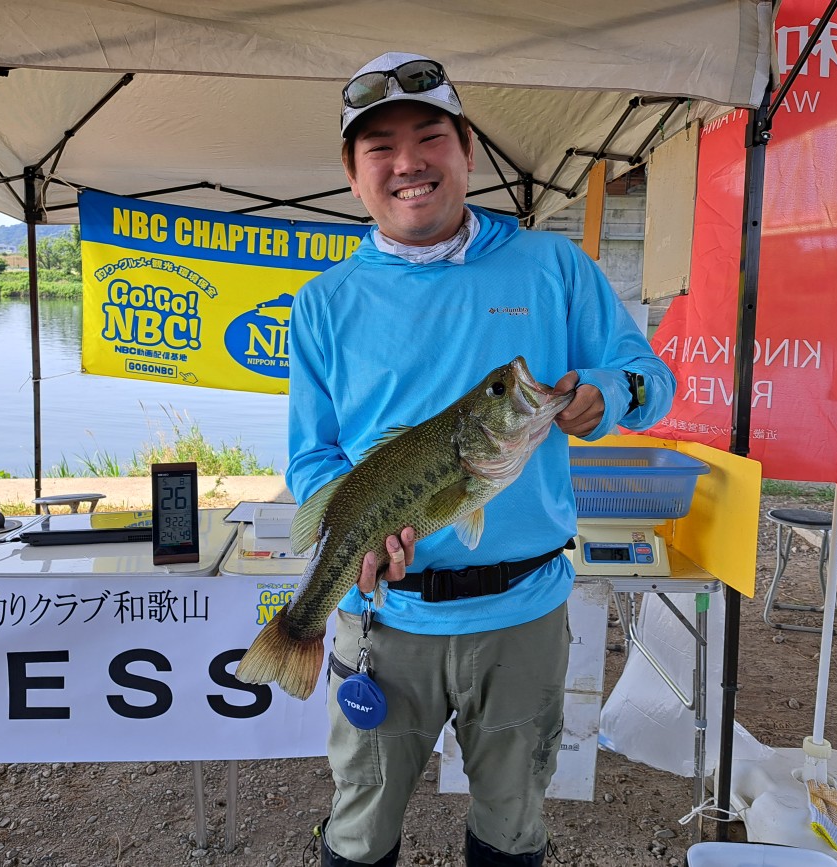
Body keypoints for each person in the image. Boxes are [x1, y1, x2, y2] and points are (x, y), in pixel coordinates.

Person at [285, 51, 676, 867]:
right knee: (360, 826)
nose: (407, 164)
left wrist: (608, 392)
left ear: (466, 149)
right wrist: (353, 525)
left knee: (512, 821)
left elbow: (652, 378)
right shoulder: (324, 302)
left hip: (522, 615)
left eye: (430, 136)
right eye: (379, 149)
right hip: (381, 622)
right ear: (354, 176)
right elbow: (313, 455)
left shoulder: (553, 266)